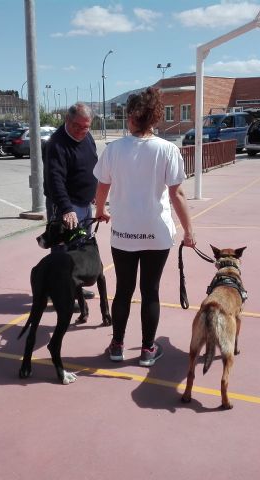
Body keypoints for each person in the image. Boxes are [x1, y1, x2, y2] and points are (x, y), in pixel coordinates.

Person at [93, 87, 196, 367]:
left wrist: (101, 211)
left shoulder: (113, 150)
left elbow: (102, 187)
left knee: (124, 289)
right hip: (157, 233)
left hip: (124, 233)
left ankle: (117, 345)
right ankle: (148, 350)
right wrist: (189, 232)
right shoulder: (168, 150)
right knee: (150, 290)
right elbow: (177, 194)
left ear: (130, 117)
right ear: (155, 118)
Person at [45, 102, 97, 298]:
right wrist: (66, 208)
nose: (83, 131)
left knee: (80, 248)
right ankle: (58, 292)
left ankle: (74, 287)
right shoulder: (56, 144)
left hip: (84, 203)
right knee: (62, 250)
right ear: (68, 120)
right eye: (78, 126)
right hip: (67, 205)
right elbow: (55, 179)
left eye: (87, 126)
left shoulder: (87, 136)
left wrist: (94, 190)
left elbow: (92, 162)